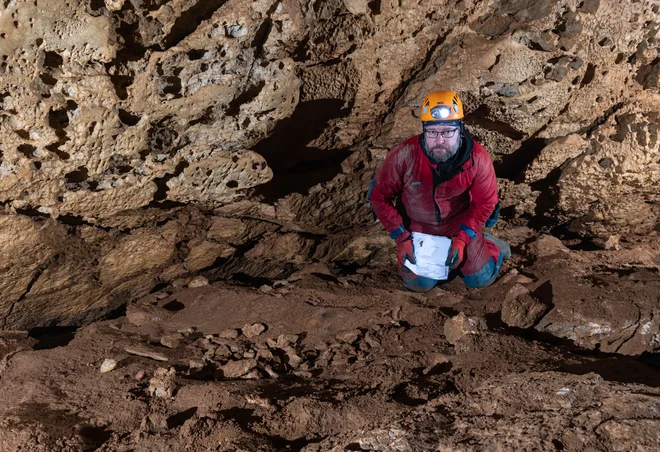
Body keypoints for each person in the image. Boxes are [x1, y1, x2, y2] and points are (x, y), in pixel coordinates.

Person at [368, 90, 510, 292]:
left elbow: (485, 203)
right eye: (432, 132)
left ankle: (490, 246)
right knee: (419, 285)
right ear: (424, 131)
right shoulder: (404, 154)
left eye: (448, 131)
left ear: (460, 129)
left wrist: (462, 238)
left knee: (480, 280)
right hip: (417, 229)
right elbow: (378, 197)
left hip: (458, 225)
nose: (440, 140)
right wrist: (401, 237)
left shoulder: (477, 158)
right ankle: (451, 257)